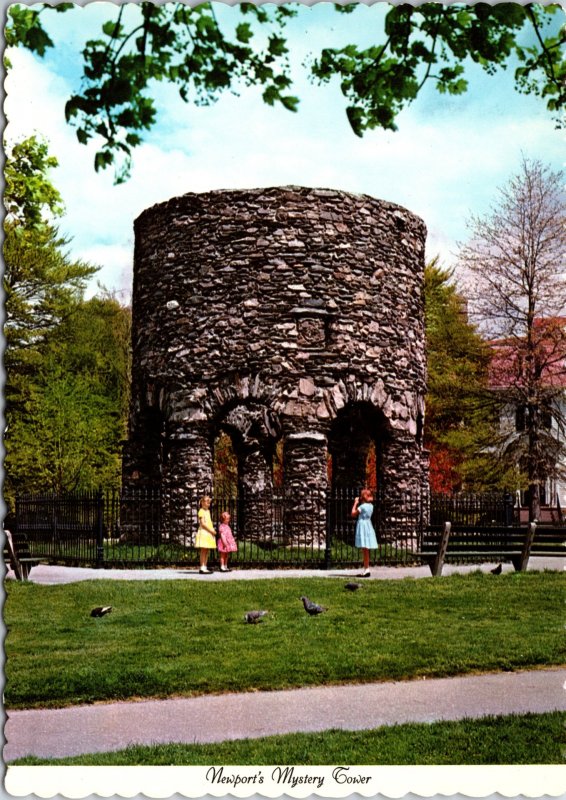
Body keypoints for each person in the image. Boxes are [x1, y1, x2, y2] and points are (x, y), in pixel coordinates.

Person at [351, 488, 378, 577]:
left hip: (362, 526)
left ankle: (366, 569)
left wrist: (355, 503)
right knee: (366, 549)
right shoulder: (371, 506)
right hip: (368, 525)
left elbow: (353, 513)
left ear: (362, 497)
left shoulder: (362, 507)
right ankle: (366, 568)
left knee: (364, 549)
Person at [196, 495, 216, 574]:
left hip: (208, 532)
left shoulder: (207, 511)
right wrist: (211, 531)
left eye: (209, 503)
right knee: (203, 551)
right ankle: (202, 567)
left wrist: (212, 531)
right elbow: (203, 524)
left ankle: (205, 566)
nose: (209, 504)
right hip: (205, 532)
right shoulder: (201, 511)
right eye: (207, 502)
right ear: (203, 503)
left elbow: (209, 522)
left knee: (206, 550)